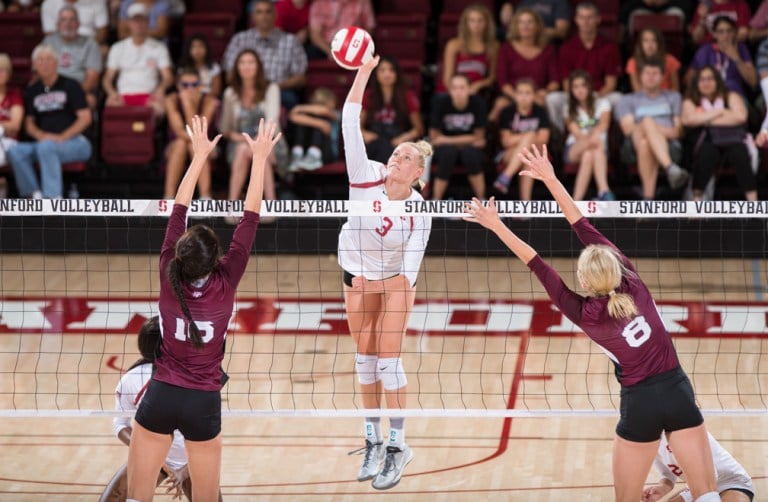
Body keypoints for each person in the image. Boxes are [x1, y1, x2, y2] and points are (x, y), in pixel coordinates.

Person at [464, 143, 720, 502]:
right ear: (616, 265)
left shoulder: (585, 314)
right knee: (706, 493)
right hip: (678, 389)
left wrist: (494, 224)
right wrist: (551, 179)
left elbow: (536, 261)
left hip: (640, 402)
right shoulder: (631, 277)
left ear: (584, 282)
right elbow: (580, 223)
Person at [125, 115, 281, 501]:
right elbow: (250, 218)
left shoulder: (167, 271)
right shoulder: (226, 280)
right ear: (217, 261)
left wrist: (198, 157)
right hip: (203, 403)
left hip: (161, 395)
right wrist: (259, 159)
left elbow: (178, 210)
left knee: (137, 497)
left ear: (178, 255)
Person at [340, 55, 432, 490]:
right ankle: (373, 439)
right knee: (365, 360)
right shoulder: (365, 175)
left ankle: (398, 445)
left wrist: (371, 283)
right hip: (355, 275)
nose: (398, 156)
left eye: (408, 156)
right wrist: (363, 71)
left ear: (418, 174)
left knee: (390, 363)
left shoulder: (418, 210)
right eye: (397, 151)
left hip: (394, 284)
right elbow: (348, 120)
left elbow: (407, 275)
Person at [102, 316, 223, 502]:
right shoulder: (133, 379)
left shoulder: (199, 377)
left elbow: (208, 431)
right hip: (153, 457)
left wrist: (183, 471)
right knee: (113, 497)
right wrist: (149, 454)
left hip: (194, 458)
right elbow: (119, 424)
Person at [7, 44, 91, 199]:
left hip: (75, 143)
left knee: (47, 147)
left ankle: (53, 200)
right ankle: (34, 195)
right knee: (15, 151)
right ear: (34, 65)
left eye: (48, 59)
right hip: (44, 142)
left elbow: (85, 118)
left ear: (56, 62)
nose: (44, 64)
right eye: (40, 60)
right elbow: (29, 124)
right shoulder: (32, 90)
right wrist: (42, 136)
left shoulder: (70, 85)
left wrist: (62, 137)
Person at [615, 58, 688, 200]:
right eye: (647, 73)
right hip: (632, 146)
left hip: (669, 146)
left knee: (646, 143)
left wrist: (652, 132)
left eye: (655, 73)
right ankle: (670, 168)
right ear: (640, 76)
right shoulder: (628, 100)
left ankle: (648, 200)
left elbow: (678, 131)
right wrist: (651, 127)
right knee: (647, 121)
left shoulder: (674, 97)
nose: (650, 77)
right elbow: (628, 129)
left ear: (663, 77)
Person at [681, 65, 756, 202]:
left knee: (740, 153)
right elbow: (689, 119)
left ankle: (753, 203)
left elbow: (741, 117)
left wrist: (705, 119)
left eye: (710, 79)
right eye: (702, 79)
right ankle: (696, 203)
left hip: (732, 140)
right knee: (706, 153)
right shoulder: (690, 100)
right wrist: (720, 112)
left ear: (718, 81)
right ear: (696, 83)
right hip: (705, 142)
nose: (706, 83)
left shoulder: (730, 95)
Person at [546, 2, 622, 133]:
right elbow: (566, 83)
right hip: (574, 94)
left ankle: (613, 139)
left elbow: (611, 83)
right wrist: (578, 99)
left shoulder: (610, 47)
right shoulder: (567, 47)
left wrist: (594, 99)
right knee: (552, 99)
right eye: (582, 17)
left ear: (598, 19)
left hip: (599, 94)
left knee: (618, 98)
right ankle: (559, 137)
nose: (586, 21)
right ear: (576, 20)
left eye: (590, 17)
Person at [219, 49, 281, 205]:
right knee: (243, 149)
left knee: (258, 150)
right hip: (239, 142)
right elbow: (225, 128)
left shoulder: (271, 88)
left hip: (270, 141)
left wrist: (257, 141)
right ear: (237, 67)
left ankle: (269, 204)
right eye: (242, 62)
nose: (247, 66)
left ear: (258, 66)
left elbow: (272, 121)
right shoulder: (230, 93)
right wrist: (241, 138)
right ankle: (233, 204)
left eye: (251, 62)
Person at [221, 0, 307, 110]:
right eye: (259, 12)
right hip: (244, 89)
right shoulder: (239, 39)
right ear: (252, 16)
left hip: (280, 90)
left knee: (290, 99)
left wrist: (273, 87)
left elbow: (300, 78)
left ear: (275, 15)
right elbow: (229, 75)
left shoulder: (291, 41)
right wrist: (249, 88)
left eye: (268, 12)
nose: (264, 16)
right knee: (228, 96)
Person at [102, 2, 173, 116]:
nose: (139, 24)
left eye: (142, 20)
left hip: (149, 96)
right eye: (135, 20)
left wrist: (160, 89)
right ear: (129, 23)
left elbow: (168, 77)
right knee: (110, 106)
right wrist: (112, 93)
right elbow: (107, 78)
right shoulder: (117, 47)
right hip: (123, 96)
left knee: (160, 108)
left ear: (148, 22)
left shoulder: (159, 48)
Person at [642, 432, 754, 502]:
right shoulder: (651, 441)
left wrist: (688, 497)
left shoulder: (687, 430)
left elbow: (711, 476)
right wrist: (663, 488)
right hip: (698, 485)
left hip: (731, 483)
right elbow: (667, 473)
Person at [491, 7, 558, 122]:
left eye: (529, 22)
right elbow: (502, 81)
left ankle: (544, 138)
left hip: (537, 95)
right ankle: (488, 136)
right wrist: (519, 97)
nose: (525, 26)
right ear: (516, 26)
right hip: (512, 94)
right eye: (521, 22)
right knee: (500, 104)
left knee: (543, 104)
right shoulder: (506, 48)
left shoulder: (548, 49)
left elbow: (555, 81)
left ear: (537, 26)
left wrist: (543, 92)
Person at [429, 73, 487, 201]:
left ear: (469, 89)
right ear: (449, 90)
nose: (458, 91)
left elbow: (480, 137)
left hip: (468, 148)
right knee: (448, 153)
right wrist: (468, 139)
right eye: (454, 88)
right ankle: (436, 200)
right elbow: (434, 138)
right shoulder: (441, 103)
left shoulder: (478, 103)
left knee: (470, 154)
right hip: (445, 149)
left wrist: (446, 139)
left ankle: (482, 199)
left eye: (462, 87)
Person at [163, 68, 219, 200]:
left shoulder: (209, 101)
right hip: (177, 143)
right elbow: (179, 131)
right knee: (181, 144)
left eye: (194, 85)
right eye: (185, 85)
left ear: (200, 86)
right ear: (178, 86)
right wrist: (185, 102)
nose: (190, 89)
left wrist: (188, 105)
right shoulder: (171, 100)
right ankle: (169, 197)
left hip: (208, 144)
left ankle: (205, 196)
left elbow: (199, 131)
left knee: (197, 148)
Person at [492, 78, 550, 199]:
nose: (524, 97)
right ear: (515, 95)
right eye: (520, 93)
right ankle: (525, 205)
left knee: (529, 159)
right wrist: (529, 137)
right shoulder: (508, 112)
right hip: (510, 153)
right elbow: (505, 141)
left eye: (527, 93)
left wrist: (522, 139)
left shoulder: (540, 112)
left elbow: (543, 139)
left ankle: (506, 177)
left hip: (536, 153)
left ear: (534, 95)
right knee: (529, 146)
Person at [361, 56, 424, 164]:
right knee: (380, 146)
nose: (387, 74)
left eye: (391, 70)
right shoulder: (368, 96)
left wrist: (404, 137)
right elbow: (357, 127)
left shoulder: (407, 96)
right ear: (376, 74)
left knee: (395, 149)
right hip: (374, 142)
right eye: (382, 70)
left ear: (397, 74)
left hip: (398, 140)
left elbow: (418, 129)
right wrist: (365, 134)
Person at [562, 70, 613, 201]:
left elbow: (604, 125)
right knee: (594, 145)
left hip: (596, 149)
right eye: (575, 86)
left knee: (589, 154)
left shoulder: (602, 103)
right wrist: (594, 135)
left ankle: (576, 201)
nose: (580, 90)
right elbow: (576, 133)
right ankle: (604, 190)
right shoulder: (568, 107)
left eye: (583, 85)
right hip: (575, 147)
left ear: (590, 86)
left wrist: (594, 134)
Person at [42, 5, 103, 108]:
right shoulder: (48, 42)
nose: (68, 23)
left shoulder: (90, 44)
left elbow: (92, 77)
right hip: (51, 90)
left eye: (72, 19)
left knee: (89, 100)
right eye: (64, 20)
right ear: (58, 24)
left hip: (79, 89)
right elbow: (40, 71)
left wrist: (74, 95)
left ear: (78, 24)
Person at [436, 4, 499, 100]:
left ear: (487, 23)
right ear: (466, 23)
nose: (476, 25)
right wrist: (456, 93)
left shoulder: (493, 46)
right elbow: (447, 78)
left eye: (480, 21)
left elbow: (492, 77)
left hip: (475, 92)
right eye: (472, 21)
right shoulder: (454, 45)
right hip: (451, 91)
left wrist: (479, 84)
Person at [687, 15, 757, 99]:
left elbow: (753, 82)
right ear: (714, 34)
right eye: (721, 32)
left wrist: (736, 58)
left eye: (729, 31)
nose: (726, 35)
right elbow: (688, 80)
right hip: (709, 97)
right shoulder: (705, 50)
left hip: (735, 97)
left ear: (735, 32)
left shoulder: (741, 48)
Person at [287, 87, 339, 171]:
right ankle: (297, 153)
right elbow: (293, 117)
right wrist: (320, 124)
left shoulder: (336, 114)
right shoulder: (309, 115)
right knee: (304, 122)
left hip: (328, 153)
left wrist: (299, 108)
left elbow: (325, 111)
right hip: (306, 152)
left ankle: (313, 155)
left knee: (317, 121)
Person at [307, 0, 375, 60]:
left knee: (368, 54)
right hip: (327, 46)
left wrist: (357, 47)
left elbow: (369, 27)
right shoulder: (319, 2)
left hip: (353, 45)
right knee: (311, 52)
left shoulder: (362, 1)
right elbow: (315, 35)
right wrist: (331, 52)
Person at [626, 27, 681, 93]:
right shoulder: (633, 62)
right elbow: (637, 88)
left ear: (659, 43)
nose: (650, 44)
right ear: (640, 44)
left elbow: (675, 88)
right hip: (642, 100)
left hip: (666, 99)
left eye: (654, 40)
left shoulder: (670, 60)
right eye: (645, 40)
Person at [0, 53, 24, 198]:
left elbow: (15, 125)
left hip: (10, 142)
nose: (0, 73)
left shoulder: (14, 95)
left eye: (4, 70)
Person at [41, 0, 109, 47]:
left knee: (102, 50)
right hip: (60, 46)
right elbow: (50, 34)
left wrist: (90, 48)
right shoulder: (49, 3)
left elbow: (102, 32)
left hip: (90, 45)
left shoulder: (97, 1)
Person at [498, 0, 572, 43]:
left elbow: (562, 32)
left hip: (545, 43)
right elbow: (516, 23)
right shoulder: (526, 2)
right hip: (521, 40)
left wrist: (535, 31)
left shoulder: (560, 2)